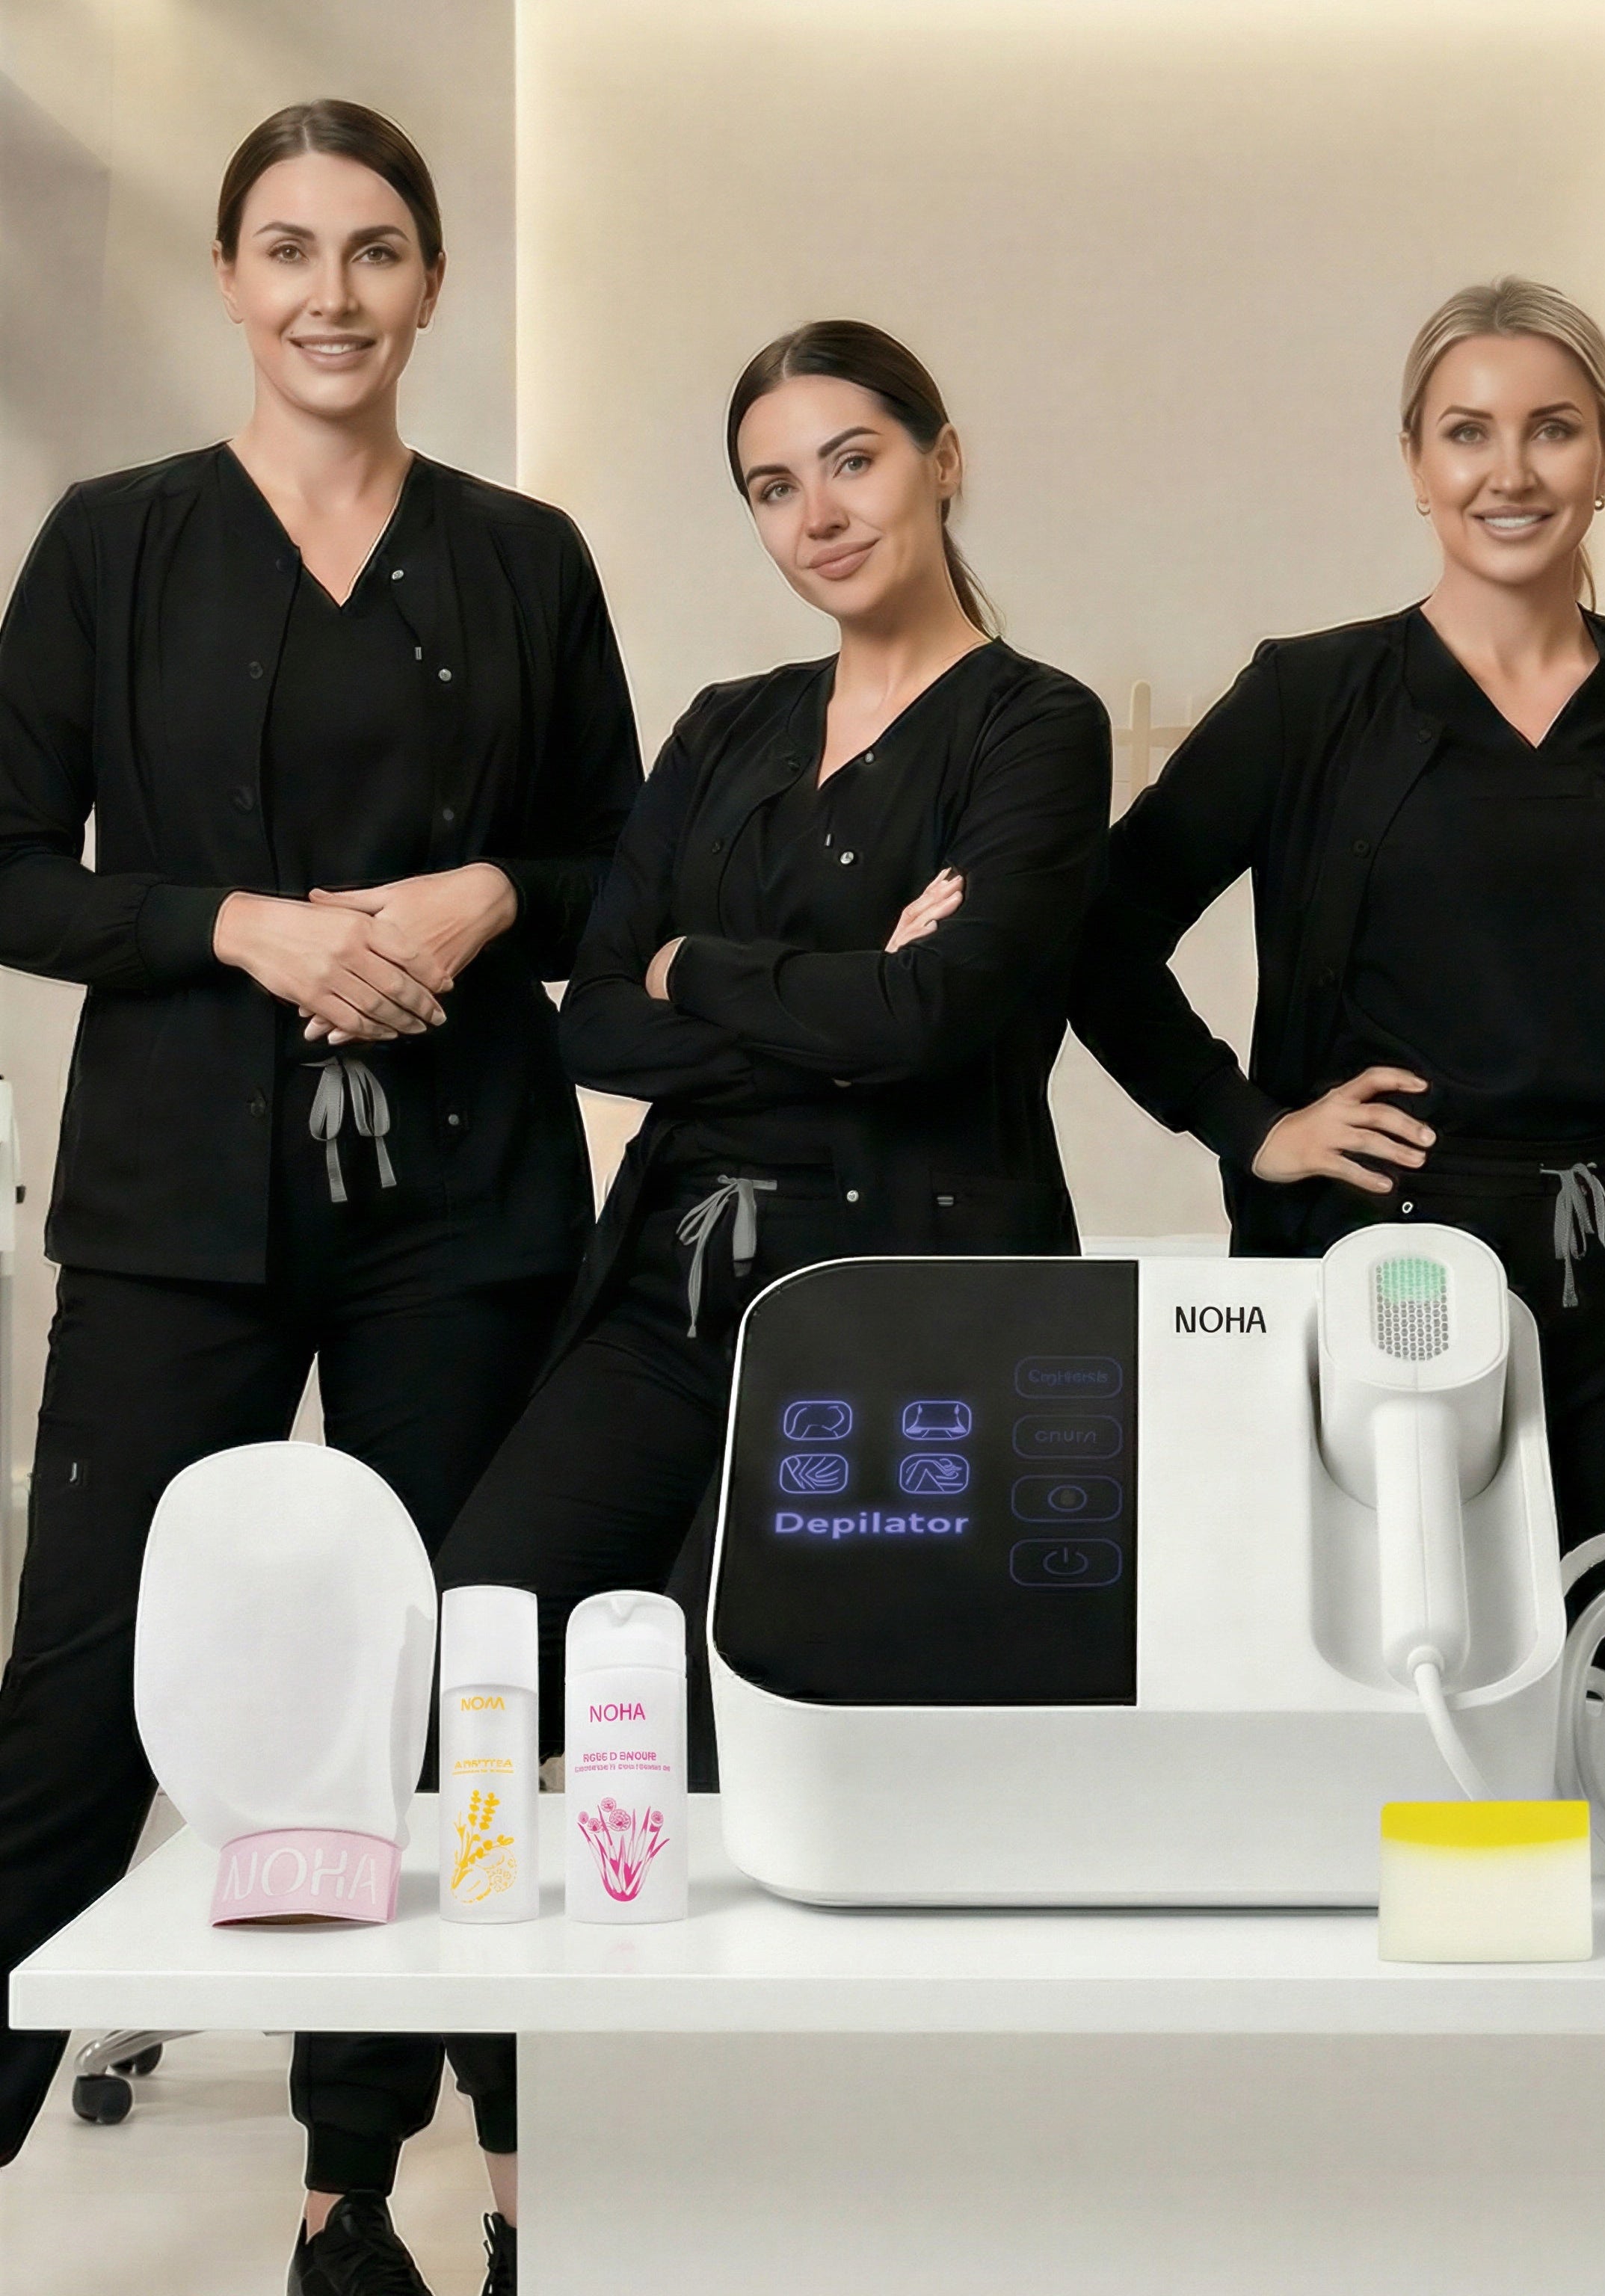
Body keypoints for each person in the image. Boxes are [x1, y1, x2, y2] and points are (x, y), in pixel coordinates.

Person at [0, 99, 640, 2296]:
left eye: (375, 250)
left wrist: (485, 892)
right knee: (76, 1692)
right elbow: (8, 864)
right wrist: (237, 927)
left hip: (464, 1210)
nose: (331, 294)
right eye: (287, 250)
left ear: (432, 282)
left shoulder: (525, 557)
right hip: (175, 1208)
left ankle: (382, 2193)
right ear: (229, 279)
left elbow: (619, 876)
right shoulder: (112, 544)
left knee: (458, 1694)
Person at [424, 312, 1109, 2185]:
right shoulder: (729, 723)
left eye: (854, 460)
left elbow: (942, 1023)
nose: (818, 513)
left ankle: (730, 2183)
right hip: (673, 1281)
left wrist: (699, 968)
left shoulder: (1036, 725)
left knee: (719, 1731)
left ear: (945, 459)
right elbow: (593, 1021)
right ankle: (532, 2162)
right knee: (479, 1643)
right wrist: (831, 988)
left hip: (886, 1323)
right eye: (772, 485)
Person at [1072, 277, 1605, 1568]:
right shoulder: (1309, 697)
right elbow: (1093, 933)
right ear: (1414, 463)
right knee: (1405, 1649)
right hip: (1386, 1265)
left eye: (1553, 429)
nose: (1511, 472)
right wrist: (1250, 1124)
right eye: (1467, 432)